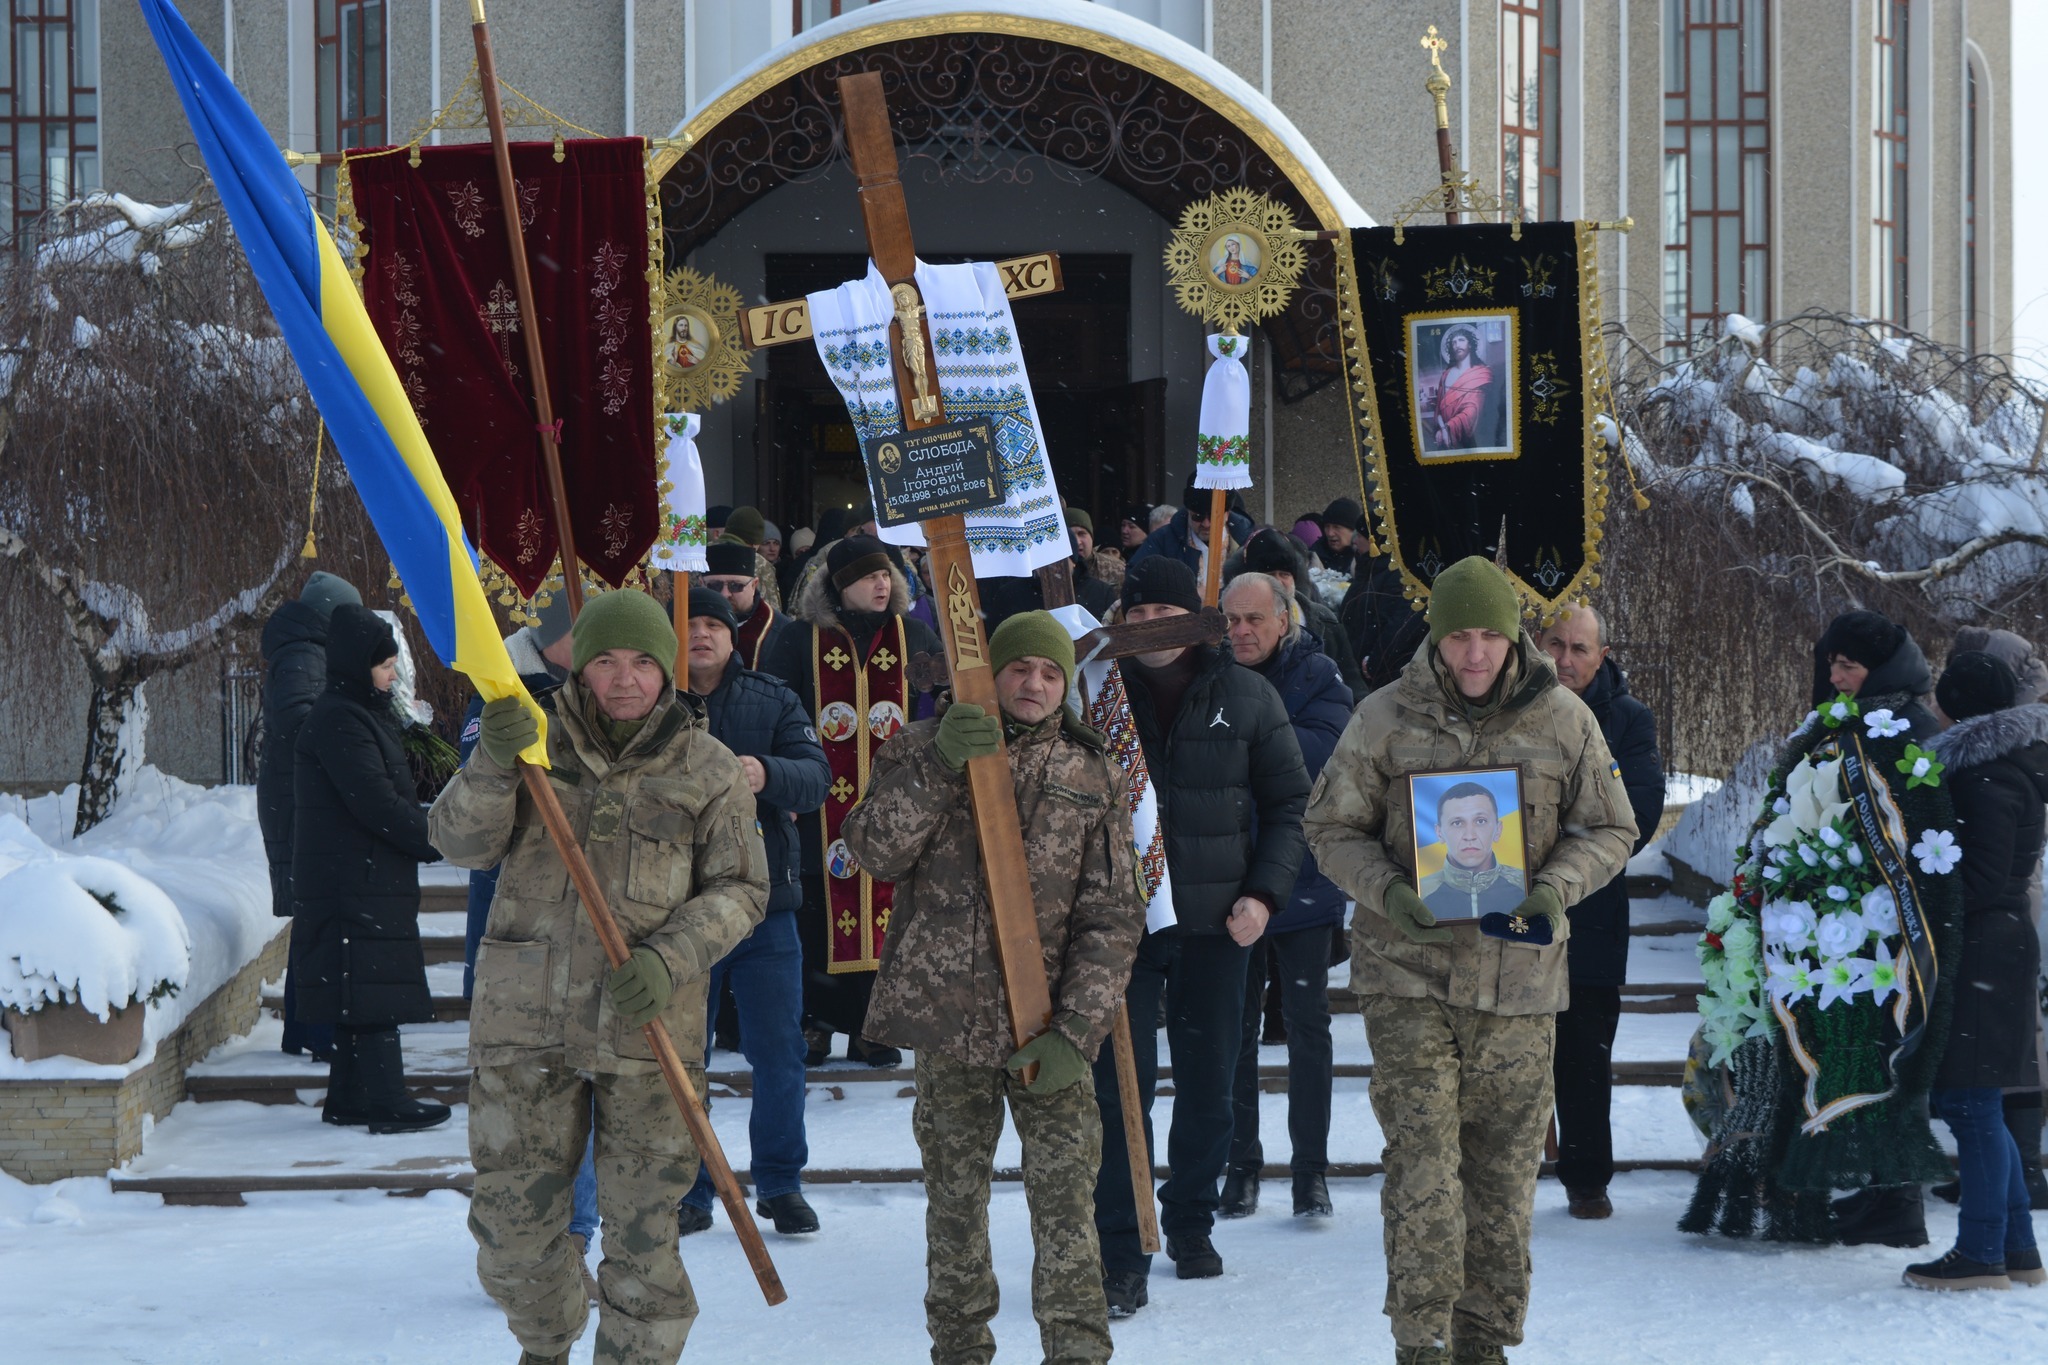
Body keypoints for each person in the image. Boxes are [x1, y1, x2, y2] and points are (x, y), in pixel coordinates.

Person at [1304, 556, 1636, 1364]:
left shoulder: (1563, 718)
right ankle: (1421, 1345)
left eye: (1491, 634)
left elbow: (1613, 826)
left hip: (1519, 984)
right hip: (1408, 975)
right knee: (1423, 1172)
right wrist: (1387, 891)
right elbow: (1329, 827)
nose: (1476, 653)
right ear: (1438, 636)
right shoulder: (1383, 717)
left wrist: (1555, 887)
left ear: (1514, 634)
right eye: (1460, 636)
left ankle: (1483, 1345)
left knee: (1502, 1179)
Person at [430, 589, 768, 1365]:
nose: (624, 678)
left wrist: (670, 954)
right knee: (511, 1236)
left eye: (644, 662)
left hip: (648, 1034)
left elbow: (744, 889)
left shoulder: (709, 767)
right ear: (580, 664)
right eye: (607, 660)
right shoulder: (530, 737)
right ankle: (546, 1344)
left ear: (669, 671)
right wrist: (490, 760)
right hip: (526, 1026)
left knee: (645, 1244)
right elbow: (458, 841)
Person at [842, 611, 1145, 1365]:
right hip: (948, 1026)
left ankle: (1076, 1352)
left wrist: (1078, 1032)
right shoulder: (919, 748)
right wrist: (942, 765)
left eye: (1049, 672)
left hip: (1049, 1028)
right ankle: (960, 1350)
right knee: (953, 1209)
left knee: (1068, 1209)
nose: (1034, 683)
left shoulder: (1092, 770)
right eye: (1019, 669)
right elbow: (873, 850)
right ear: (990, 674)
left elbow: (1112, 915)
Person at [1090, 557, 1308, 1316]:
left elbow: (1290, 804)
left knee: (1212, 1085)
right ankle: (1122, 1245)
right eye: (1138, 613)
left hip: (1218, 924)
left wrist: (1264, 894)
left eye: (1166, 613)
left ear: (1196, 619)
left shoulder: (1246, 696)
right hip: (1118, 927)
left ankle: (1188, 1218)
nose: (1152, 627)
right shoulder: (1095, 696)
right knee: (1122, 1092)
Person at [674, 589, 832, 1239]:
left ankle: (780, 1181)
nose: (704, 634)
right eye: (692, 623)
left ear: (736, 636)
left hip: (766, 908)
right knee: (685, 1058)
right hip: (681, 911)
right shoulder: (650, 703)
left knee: (779, 1051)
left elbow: (816, 775)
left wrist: (766, 773)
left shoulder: (772, 698)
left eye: (716, 623)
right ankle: (691, 1184)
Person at [760, 534, 944, 1067]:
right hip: (818, 811)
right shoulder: (799, 640)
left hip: (896, 806)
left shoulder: (914, 635)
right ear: (840, 587)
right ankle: (815, 1025)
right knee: (816, 917)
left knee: (888, 915)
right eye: (868, 577)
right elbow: (776, 708)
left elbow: (944, 705)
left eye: (885, 574)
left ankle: (874, 1028)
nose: (882, 583)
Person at [1904, 652, 2047, 1289]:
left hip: (1986, 948)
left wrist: (1913, 890)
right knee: (1980, 1102)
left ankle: (1983, 1252)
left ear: (1954, 705)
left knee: (1970, 1104)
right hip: (1999, 947)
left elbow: (1983, 878)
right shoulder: (2007, 764)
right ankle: (2015, 1248)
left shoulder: (1987, 774)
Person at [1217, 573, 1351, 1222]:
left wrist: (1244, 737)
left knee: (1308, 1029)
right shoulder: (1208, 674)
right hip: (1226, 878)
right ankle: (1240, 1167)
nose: (1242, 631)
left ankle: (1310, 1174)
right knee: (1234, 1029)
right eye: (1231, 620)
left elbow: (1321, 755)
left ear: (1282, 619)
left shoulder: (1319, 674)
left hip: (1303, 875)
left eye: (1254, 619)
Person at [290, 604, 449, 1135]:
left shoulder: (357, 712)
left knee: (362, 992)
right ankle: (386, 1100)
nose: (390, 675)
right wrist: (434, 837)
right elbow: (374, 801)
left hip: (363, 875)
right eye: (383, 665)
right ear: (359, 664)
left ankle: (350, 1098)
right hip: (352, 880)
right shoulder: (341, 717)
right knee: (371, 991)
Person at [1812, 609, 1943, 1249]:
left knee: (1898, 1055)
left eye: (1849, 666)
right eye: (1832, 663)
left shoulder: (1906, 726)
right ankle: (1882, 1193)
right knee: (1875, 1057)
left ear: (1880, 669)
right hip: (1860, 915)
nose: (1836, 676)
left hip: (1895, 919)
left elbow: (1915, 823)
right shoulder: (1856, 719)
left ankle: (1900, 1206)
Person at [1536, 604, 1664, 1220]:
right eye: (1554, 644)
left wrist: (1548, 839)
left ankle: (1587, 1177)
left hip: (1590, 910)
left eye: (1579, 648)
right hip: (1511, 908)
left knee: (1585, 1056)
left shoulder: (1630, 721)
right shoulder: (1513, 709)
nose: (1565, 659)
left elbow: (1632, 818)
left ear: (1602, 655)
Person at [258, 569, 361, 1061]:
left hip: (299, 799)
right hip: (304, 804)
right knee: (323, 916)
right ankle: (323, 1035)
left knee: (315, 915)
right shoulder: (304, 653)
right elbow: (302, 721)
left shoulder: (307, 649)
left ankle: (302, 1029)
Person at [1236, 527, 1366, 699]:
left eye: (1285, 574)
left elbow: (1352, 684)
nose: (1279, 582)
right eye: (1269, 575)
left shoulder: (1324, 621)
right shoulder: (1231, 625)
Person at [1414, 783, 1527, 921]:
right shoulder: (1419, 893)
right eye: (1457, 823)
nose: (1469, 835)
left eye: (1480, 821)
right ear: (1439, 833)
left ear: (1498, 830)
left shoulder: (1526, 886)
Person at [702, 540, 789, 670]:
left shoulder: (783, 631)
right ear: (701, 584)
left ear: (754, 585)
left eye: (736, 586)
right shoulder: (683, 626)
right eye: (715, 586)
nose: (725, 594)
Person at [716, 505, 783, 611]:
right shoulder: (759, 563)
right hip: (746, 625)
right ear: (755, 542)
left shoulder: (699, 557)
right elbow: (771, 610)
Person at [1315, 498, 1363, 577]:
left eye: (1336, 527)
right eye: (1327, 526)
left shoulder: (1365, 559)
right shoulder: (1315, 555)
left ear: (1353, 530)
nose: (1330, 533)